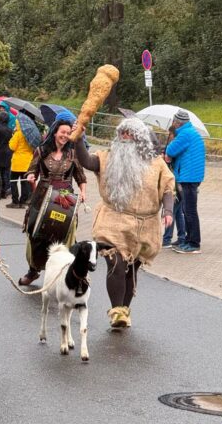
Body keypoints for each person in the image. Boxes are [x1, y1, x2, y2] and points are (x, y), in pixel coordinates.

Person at [73, 117, 175, 328]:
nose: (125, 137)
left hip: (145, 226)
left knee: (132, 269)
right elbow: (87, 161)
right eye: (122, 133)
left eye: (130, 133)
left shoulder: (156, 163)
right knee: (117, 265)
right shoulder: (107, 157)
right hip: (113, 221)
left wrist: (169, 211)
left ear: (140, 138)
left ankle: (124, 310)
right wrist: (78, 139)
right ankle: (117, 311)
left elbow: (167, 188)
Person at [18, 115, 87, 285]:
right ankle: (33, 271)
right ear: (55, 132)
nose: (65, 135)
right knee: (36, 234)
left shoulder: (73, 153)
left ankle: (68, 274)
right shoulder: (41, 150)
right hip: (42, 197)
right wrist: (31, 176)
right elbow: (31, 170)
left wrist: (83, 192)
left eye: (68, 133)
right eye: (62, 132)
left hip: (65, 200)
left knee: (65, 235)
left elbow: (81, 177)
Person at [165, 110, 206, 254]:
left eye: (174, 122)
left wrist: (170, 145)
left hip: (189, 176)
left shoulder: (184, 134)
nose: (173, 124)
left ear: (178, 122)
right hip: (191, 175)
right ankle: (188, 240)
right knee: (186, 210)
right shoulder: (190, 132)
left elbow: (170, 150)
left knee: (190, 211)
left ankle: (194, 243)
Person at [161, 129, 186, 248]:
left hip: (176, 183)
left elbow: (169, 161)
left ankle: (167, 239)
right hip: (180, 181)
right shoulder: (180, 146)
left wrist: (164, 157)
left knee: (171, 209)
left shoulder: (174, 147)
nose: (168, 136)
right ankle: (182, 237)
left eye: (170, 134)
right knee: (178, 212)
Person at [7, 105, 34, 209]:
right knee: (24, 183)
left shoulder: (18, 134)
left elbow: (12, 147)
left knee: (13, 182)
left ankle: (15, 201)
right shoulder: (30, 135)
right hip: (27, 163)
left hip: (17, 163)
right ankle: (23, 201)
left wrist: (12, 137)